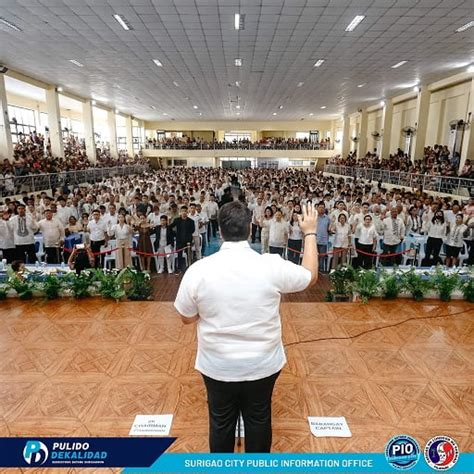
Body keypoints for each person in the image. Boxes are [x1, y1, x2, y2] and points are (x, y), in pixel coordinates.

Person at [174, 201, 318, 453]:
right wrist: (310, 232)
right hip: (262, 364)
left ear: (219, 231)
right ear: (251, 229)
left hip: (217, 365)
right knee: (259, 419)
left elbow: (186, 318)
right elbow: (310, 276)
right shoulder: (271, 265)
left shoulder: (199, 271)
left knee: (220, 423)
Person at [170, 205, 195, 273]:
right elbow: (170, 227)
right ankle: (179, 268)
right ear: (180, 212)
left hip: (188, 242)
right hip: (179, 240)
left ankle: (190, 267)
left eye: (185, 211)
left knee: (189, 254)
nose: (184, 213)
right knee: (179, 255)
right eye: (182, 211)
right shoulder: (177, 220)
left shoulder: (191, 221)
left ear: (187, 212)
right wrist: (174, 234)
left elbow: (193, 230)